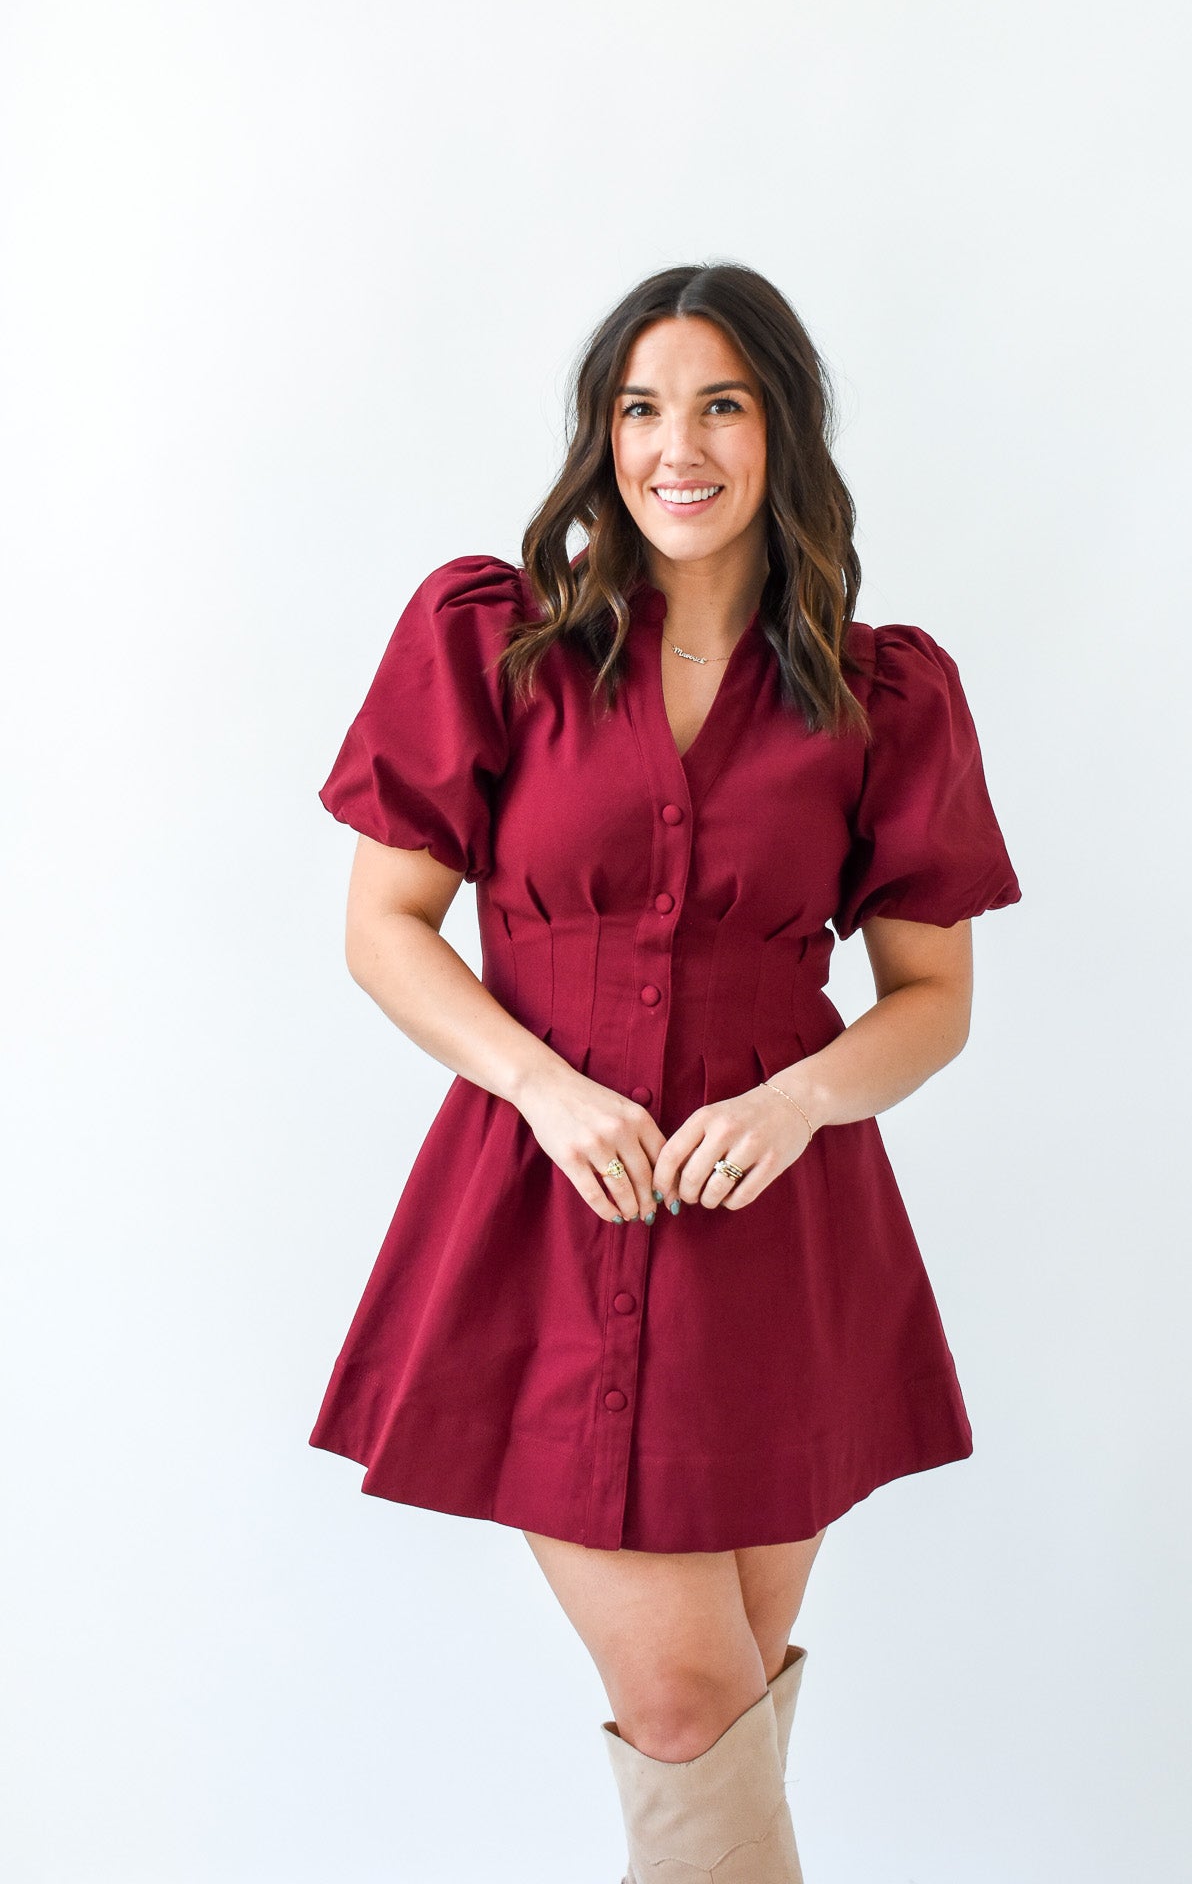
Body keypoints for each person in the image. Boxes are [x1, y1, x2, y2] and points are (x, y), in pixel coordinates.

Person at [310, 261, 1022, 1881]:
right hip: (547, 1210)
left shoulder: (878, 690)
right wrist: (543, 1088)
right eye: (639, 409)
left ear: (783, 433)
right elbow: (384, 929)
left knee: (731, 1700)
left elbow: (929, 999)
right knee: (693, 1702)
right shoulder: (492, 642)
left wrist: (799, 1097)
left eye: (720, 406)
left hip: (777, 1231)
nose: (674, 446)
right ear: (601, 435)